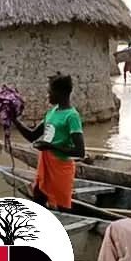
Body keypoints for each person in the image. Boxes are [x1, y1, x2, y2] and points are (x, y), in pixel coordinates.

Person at [13, 73, 85, 210]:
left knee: (62, 207)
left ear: (61, 93)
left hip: (60, 168)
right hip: (45, 165)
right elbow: (32, 135)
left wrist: (50, 146)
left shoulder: (72, 116)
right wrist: (14, 120)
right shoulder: (52, 112)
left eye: (50, 92)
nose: (48, 96)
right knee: (38, 200)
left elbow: (80, 151)